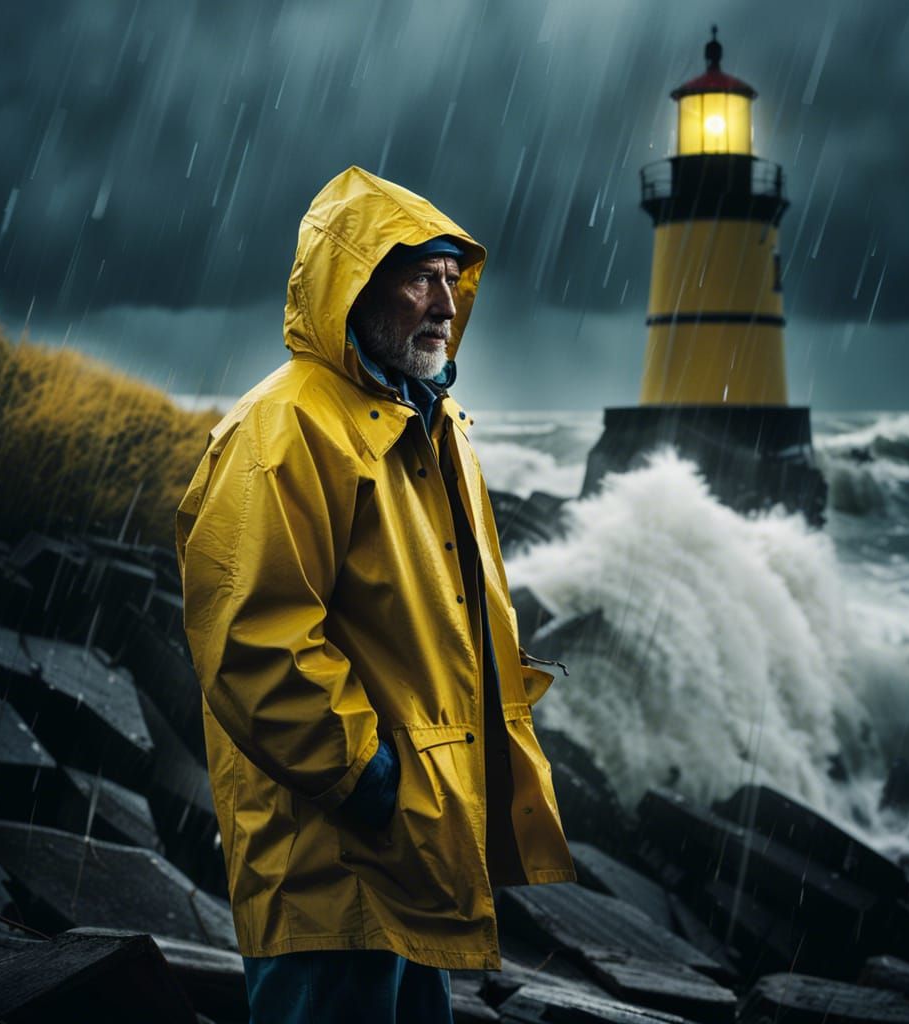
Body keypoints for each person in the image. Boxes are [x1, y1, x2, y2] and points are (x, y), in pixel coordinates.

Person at [175, 166, 574, 1024]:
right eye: (419, 277)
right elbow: (254, 641)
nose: (445, 302)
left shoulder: (430, 423)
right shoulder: (283, 430)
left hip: (417, 847)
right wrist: (371, 779)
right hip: (330, 862)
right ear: (352, 285)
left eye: (451, 278)